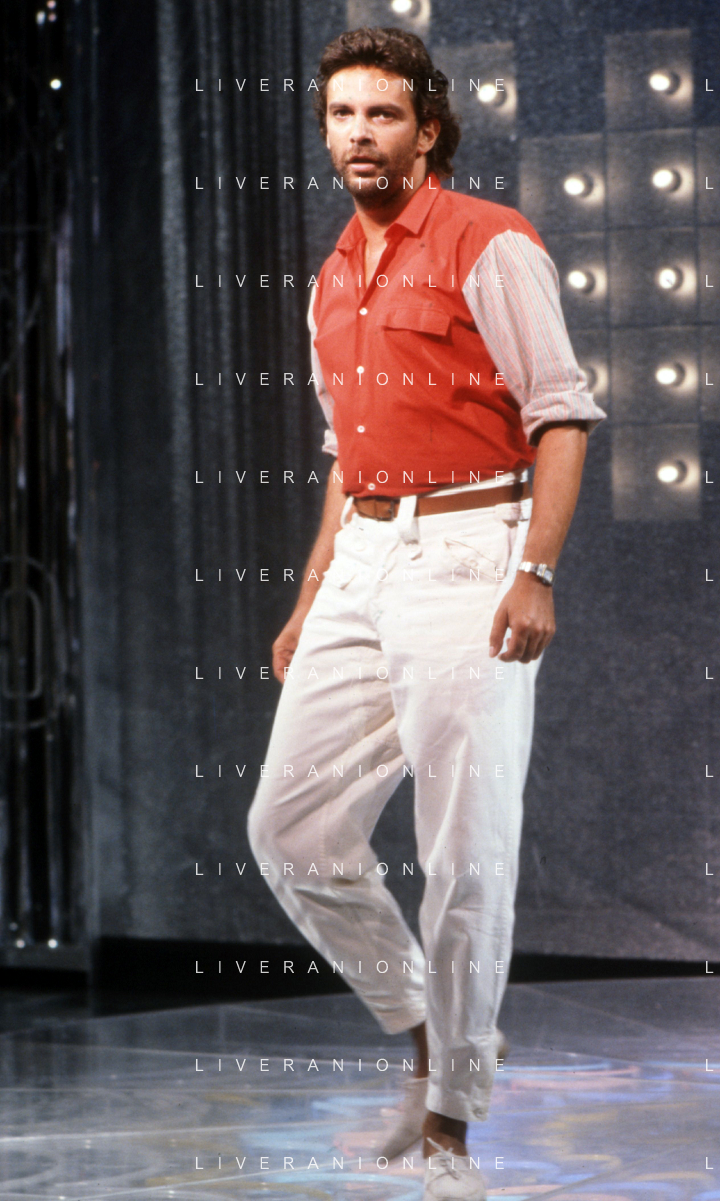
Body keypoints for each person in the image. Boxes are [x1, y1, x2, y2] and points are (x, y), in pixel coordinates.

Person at [248, 25, 606, 1200]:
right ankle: (424, 1037)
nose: (360, 134)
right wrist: (311, 595)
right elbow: (344, 455)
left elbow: (561, 414)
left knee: (463, 850)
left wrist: (536, 569)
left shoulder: (489, 242)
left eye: (383, 114)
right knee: (292, 829)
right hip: (364, 553)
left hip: (472, 547)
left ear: (428, 130)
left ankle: (452, 1128)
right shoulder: (331, 278)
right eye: (342, 115)